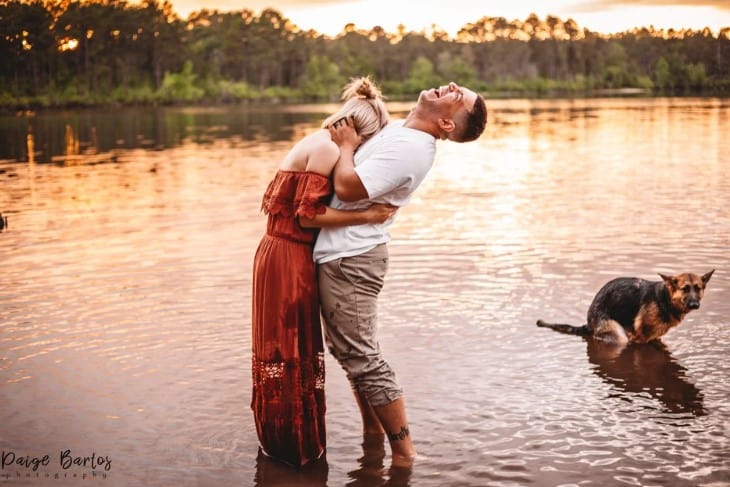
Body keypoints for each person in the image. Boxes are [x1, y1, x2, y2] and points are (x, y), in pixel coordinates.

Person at [314, 81, 487, 467]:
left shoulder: (412, 148)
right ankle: (373, 435)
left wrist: (344, 148)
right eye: (460, 89)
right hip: (346, 254)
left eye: (458, 98)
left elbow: (347, 185)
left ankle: (405, 454)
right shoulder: (402, 131)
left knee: (363, 357)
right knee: (351, 354)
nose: (453, 87)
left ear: (445, 123)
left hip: (352, 259)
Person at [251, 77, 394, 468]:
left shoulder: (317, 140)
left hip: (276, 252)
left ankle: (283, 445)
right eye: (367, 144)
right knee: (293, 348)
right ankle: (296, 446)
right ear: (359, 132)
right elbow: (307, 214)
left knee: (283, 348)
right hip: (290, 256)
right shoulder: (331, 148)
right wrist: (370, 214)